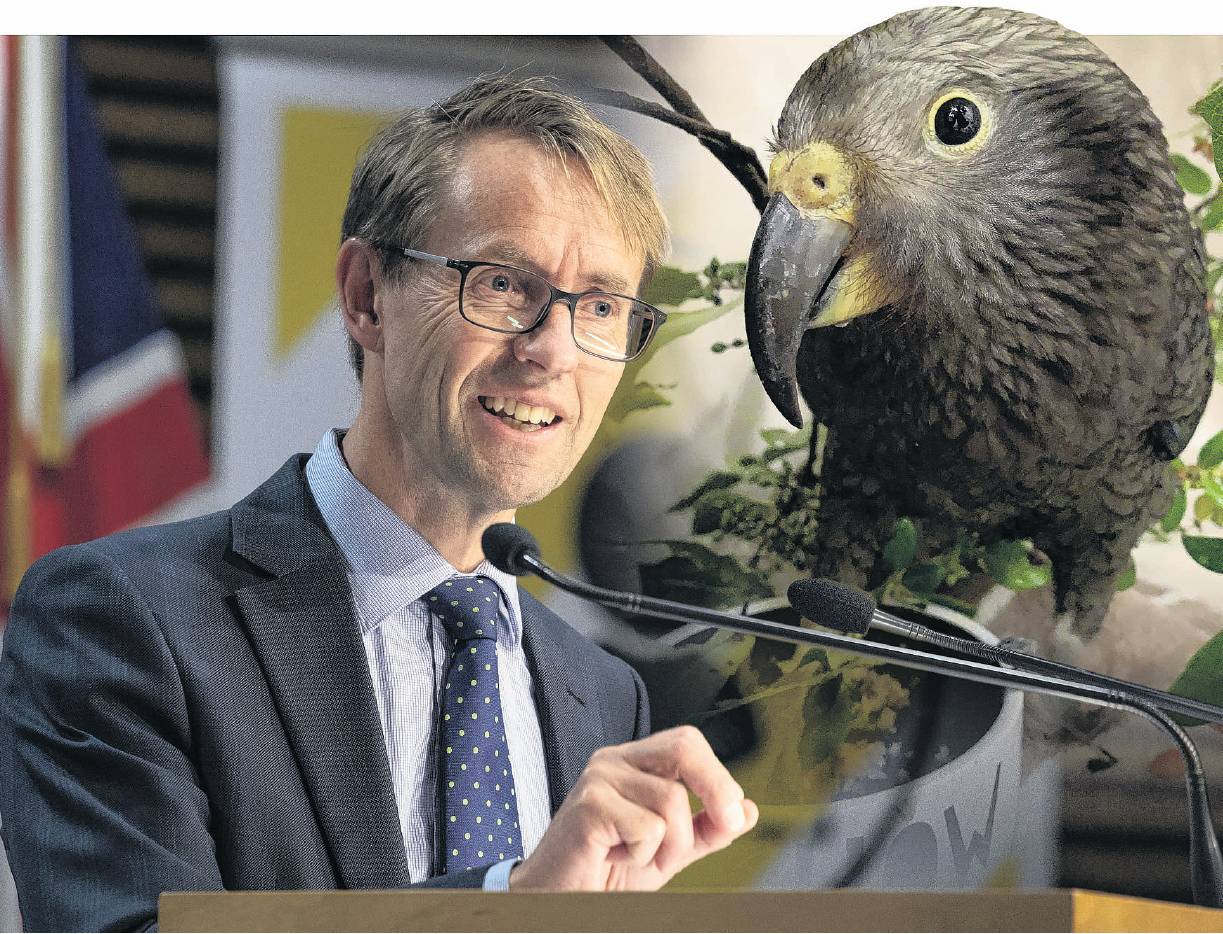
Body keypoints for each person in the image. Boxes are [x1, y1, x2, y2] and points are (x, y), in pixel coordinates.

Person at [0, 76, 759, 931]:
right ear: (366, 297)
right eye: (503, 284)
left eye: (600, 305)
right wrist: (506, 907)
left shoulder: (602, 693)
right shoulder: (125, 620)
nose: (552, 350)